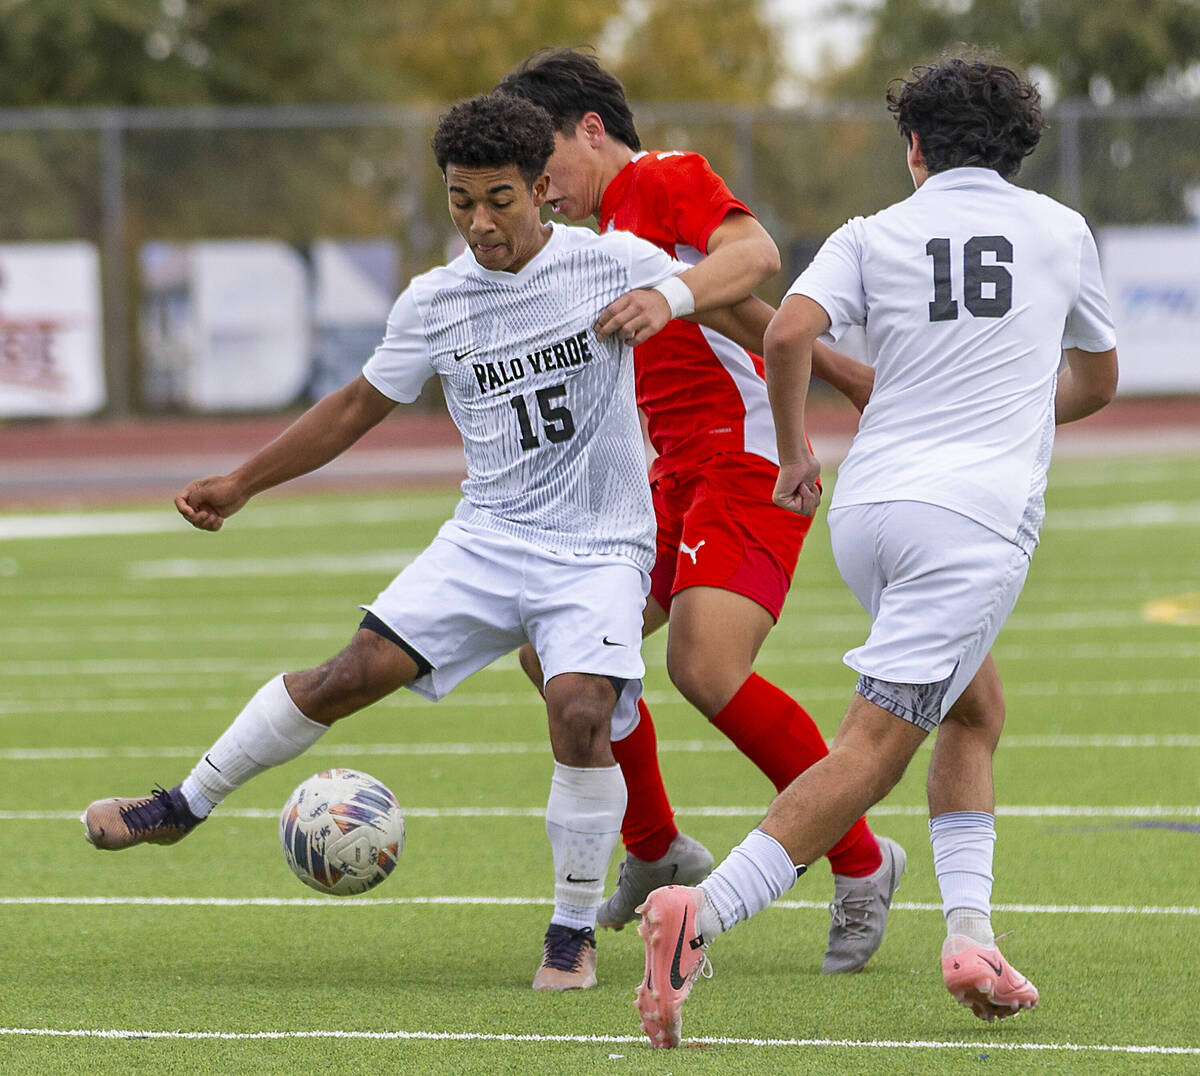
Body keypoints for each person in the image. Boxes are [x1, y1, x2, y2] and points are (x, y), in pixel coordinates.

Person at [79, 91, 756, 994]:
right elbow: (358, 406)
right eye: (460, 201)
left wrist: (668, 298)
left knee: (582, 712)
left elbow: (749, 259)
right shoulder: (436, 301)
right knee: (343, 677)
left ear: (542, 187)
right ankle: (180, 805)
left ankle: (568, 936)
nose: (479, 224)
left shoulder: (612, 265)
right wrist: (241, 483)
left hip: (600, 548)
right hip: (484, 542)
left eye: (499, 201)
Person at [634, 56, 1119, 1048]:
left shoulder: (873, 233)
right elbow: (1101, 378)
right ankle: (702, 915)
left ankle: (971, 938)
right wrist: (1026, 414)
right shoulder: (1061, 230)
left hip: (872, 515)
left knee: (974, 706)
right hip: (971, 525)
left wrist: (800, 450)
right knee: (871, 754)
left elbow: (788, 336)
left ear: (914, 149)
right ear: (1018, 147)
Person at [497, 47, 902, 975]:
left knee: (703, 666)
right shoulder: (590, 242)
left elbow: (754, 258)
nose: (535, 185)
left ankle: (863, 859)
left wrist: (669, 296)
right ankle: (654, 847)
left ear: (591, 130)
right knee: (557, 654)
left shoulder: (665, 178)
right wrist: (837, 370)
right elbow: (734, 313)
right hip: (666, 476)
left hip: (743, 459)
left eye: (540, 160)